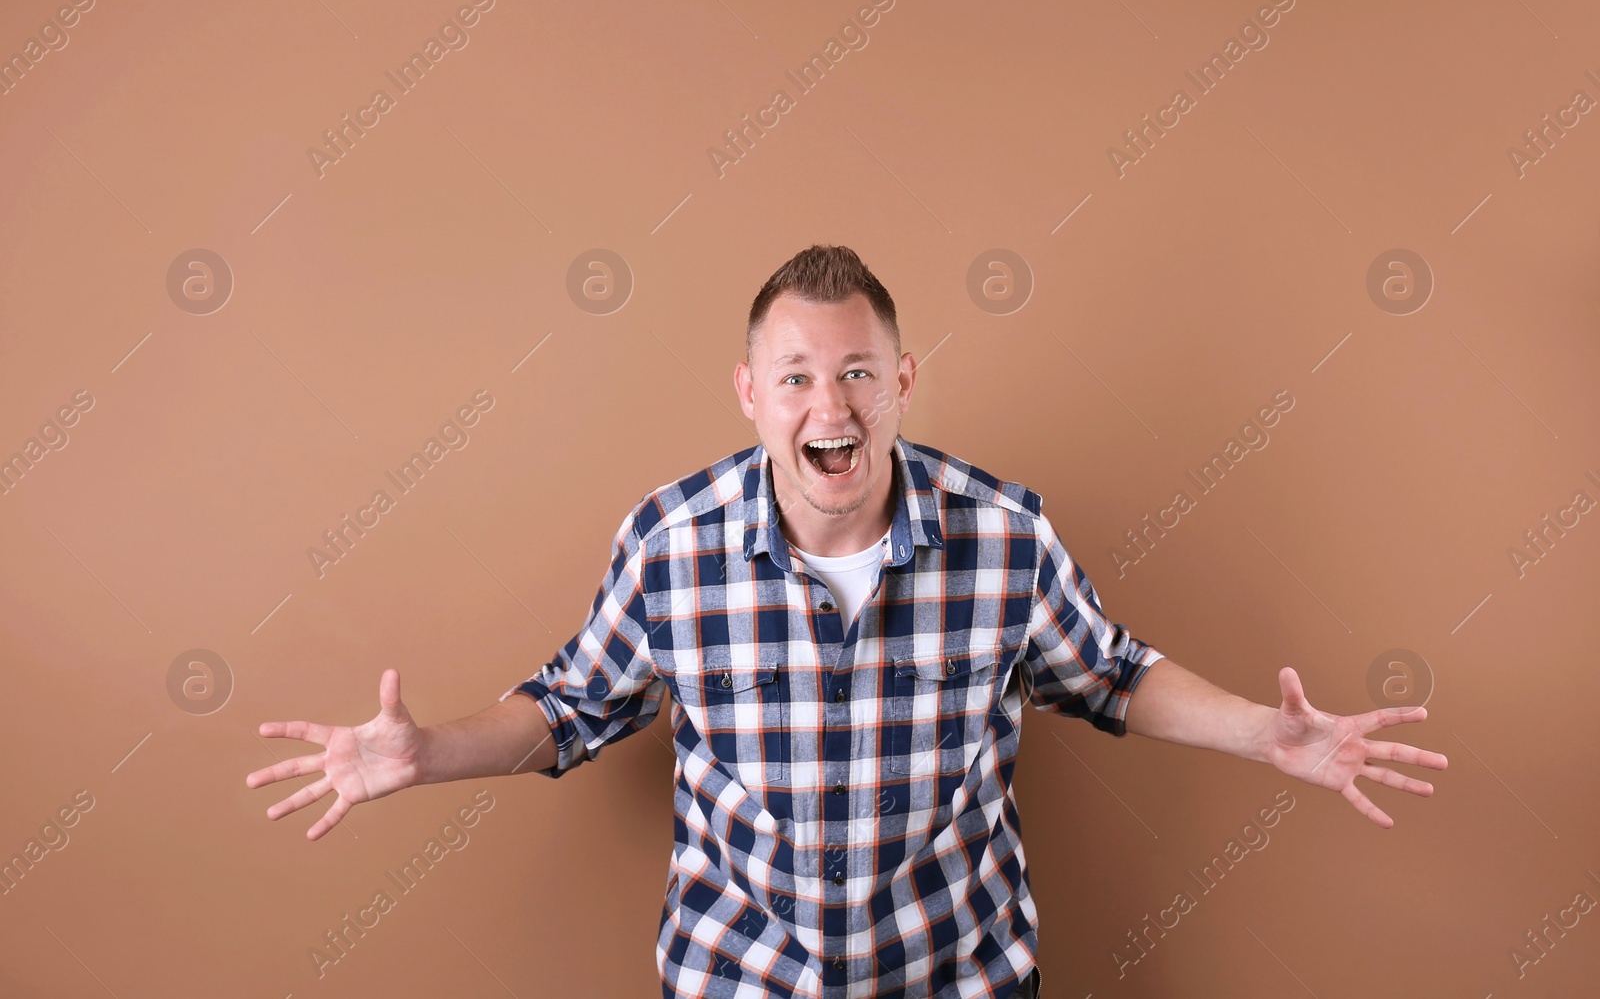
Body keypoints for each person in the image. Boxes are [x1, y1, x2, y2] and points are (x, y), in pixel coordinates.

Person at [247, 245, 1447, 998]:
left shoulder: (1005, 535)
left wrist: (1267, 735)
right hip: (740, 975)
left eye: (859, 371)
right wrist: (421, 753)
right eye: (799, 375)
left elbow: (1111, 676)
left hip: (958, 971)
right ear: (751, 393)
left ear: (903, 381)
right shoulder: (672, 542)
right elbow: (570, 707)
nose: (831, 402)